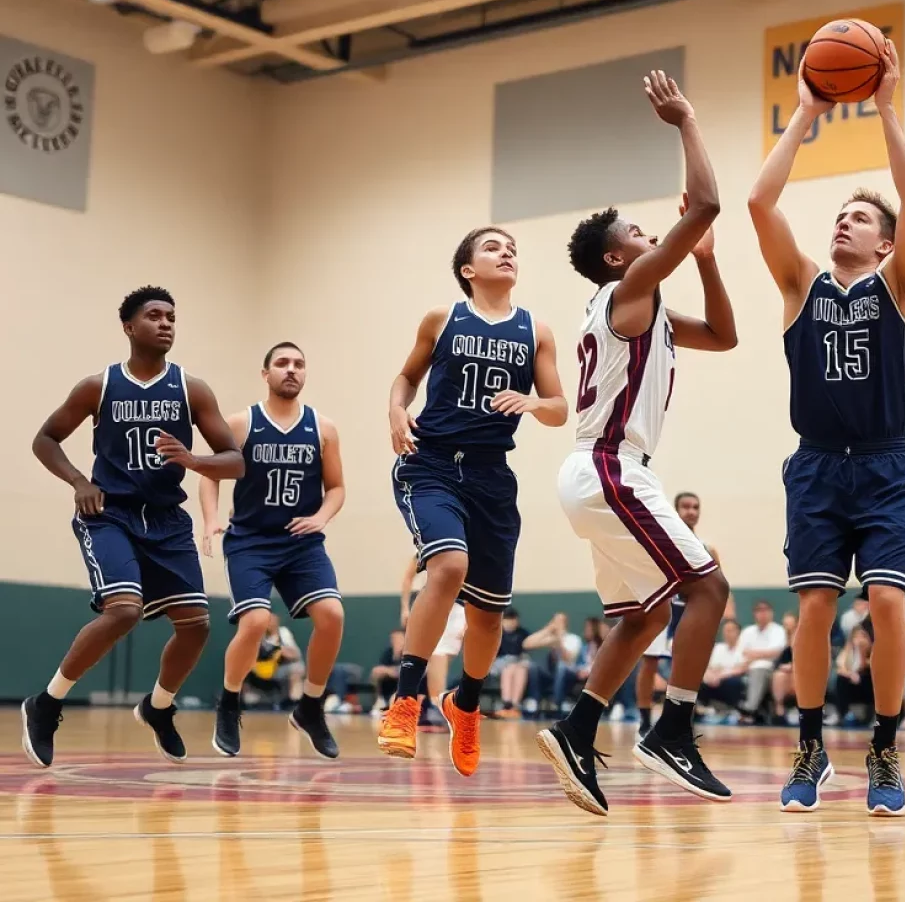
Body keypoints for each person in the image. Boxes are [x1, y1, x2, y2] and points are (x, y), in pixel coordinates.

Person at [538, 70, 736, 817]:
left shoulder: (640, 307)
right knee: (710, 587)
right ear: (620, 260)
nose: (651, 236)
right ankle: (673, 729)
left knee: (644, 616)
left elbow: (723, 336)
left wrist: (710, 260)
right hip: (609, 468)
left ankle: (576, 726)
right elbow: (709, 201)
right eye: (639, 236)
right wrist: (687, 121)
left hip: (599, 473)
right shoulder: (626, 296)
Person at [748, 41, 905, 816]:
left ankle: (884, 751)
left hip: (885, 466)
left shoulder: (902, 286)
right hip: (817, 464)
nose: (843, 221)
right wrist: (808, 114)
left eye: (858, 217)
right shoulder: (800, 286)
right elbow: (759, 204)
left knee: (888, 605)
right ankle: (812, 745)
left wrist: (885, 104)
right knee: (815, 608)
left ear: (884, 243)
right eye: (840, 214)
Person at [22, 287, 243, 768]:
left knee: (196, 626)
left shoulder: (191, 388)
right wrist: (79, 479)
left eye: (171, 317)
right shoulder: (98, 386)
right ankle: (47, 702)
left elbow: (235, 462)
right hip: (110, 514)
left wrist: (193, 459)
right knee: (123, 611)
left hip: (166, 521)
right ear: (129, 326)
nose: (165, 323)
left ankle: (158, 707)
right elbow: (45, 438)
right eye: (154, 316)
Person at [380, 227, 567, 774]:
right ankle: (406, 700)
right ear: (468, 269)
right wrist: (396, 411)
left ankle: (465, 705)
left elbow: (559, 408)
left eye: (512, 248)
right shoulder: (442, 319)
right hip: (432, 462)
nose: (506, 252)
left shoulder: (536, 329)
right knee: (447, 566)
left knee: (487, 617)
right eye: (492, 247)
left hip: (491, 478)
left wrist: (533, 403)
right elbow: (405, 378)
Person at [200, 342, 345, 759]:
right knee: (256, 620)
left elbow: (336, 488)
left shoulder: (324, 428)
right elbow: (210, 475)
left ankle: (311, 707)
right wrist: (211, 518)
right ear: (266, 374)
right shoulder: (242, 423)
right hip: (250, 541)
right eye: (282, 363)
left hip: (302, 542)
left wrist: (322, 516)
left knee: (333, 615)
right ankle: (229, 703)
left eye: (299, 364)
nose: (291, 370)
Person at [636, 491, 724, 738]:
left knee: (687, 664)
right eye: (686, 506)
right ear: (675, 510)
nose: (691, 511)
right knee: (650, 662)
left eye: (696, 507)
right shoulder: (661, 539)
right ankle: (644, 721)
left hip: (690, 612)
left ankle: (680, 718)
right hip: (663, 607)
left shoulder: (707, 548)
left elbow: (718, 586)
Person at [399, 555, 466, 728]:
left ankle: (428, 705)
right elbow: (408, 577)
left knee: (442, 658)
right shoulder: (427, 545)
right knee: (436, 655)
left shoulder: (468, 548)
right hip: (432, 602)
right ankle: (434, 706)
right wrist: (405, 607)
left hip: (458, 608)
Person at [835, 625, 874, 726]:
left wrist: (862, 651)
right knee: (841, 679)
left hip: (867, 685)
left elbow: (864, 666)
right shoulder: (848, 650)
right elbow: (840, 668)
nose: (859, 640)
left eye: (863, 636)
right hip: (852, 684)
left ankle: (871, 716)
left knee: (866, 677)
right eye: (856, 637)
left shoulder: (873, 652)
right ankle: (844, 714)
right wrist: (850, 674)